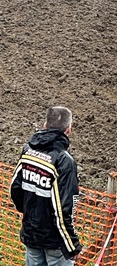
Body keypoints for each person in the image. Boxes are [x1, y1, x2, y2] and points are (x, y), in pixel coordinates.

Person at [10, 106, 83, 266]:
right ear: (68, 130)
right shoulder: (64, 161)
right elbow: (65, 209)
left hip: (31, 233)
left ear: (45, 125)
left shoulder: (28, 150)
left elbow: (15, 188)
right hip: (54, 241)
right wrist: (72, 245)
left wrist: (30, 214)